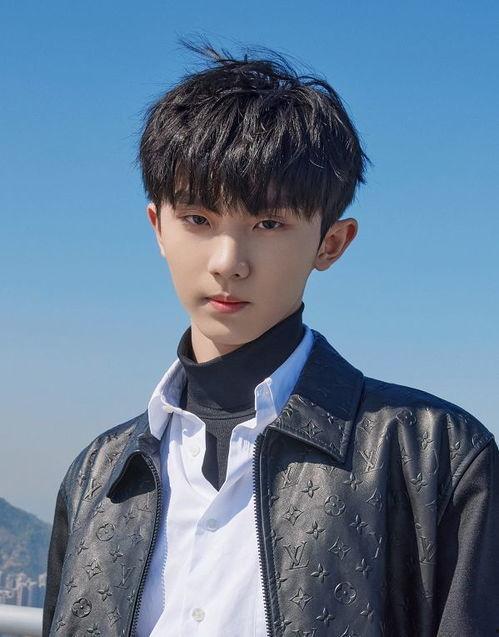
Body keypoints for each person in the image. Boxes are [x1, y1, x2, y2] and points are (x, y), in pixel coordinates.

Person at [42, 39, 498, 637]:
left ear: (331, 243)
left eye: (269, 223)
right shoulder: (96, 476)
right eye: (198, 219)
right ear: (158, 227)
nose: (228, 262)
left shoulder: (434, 455)